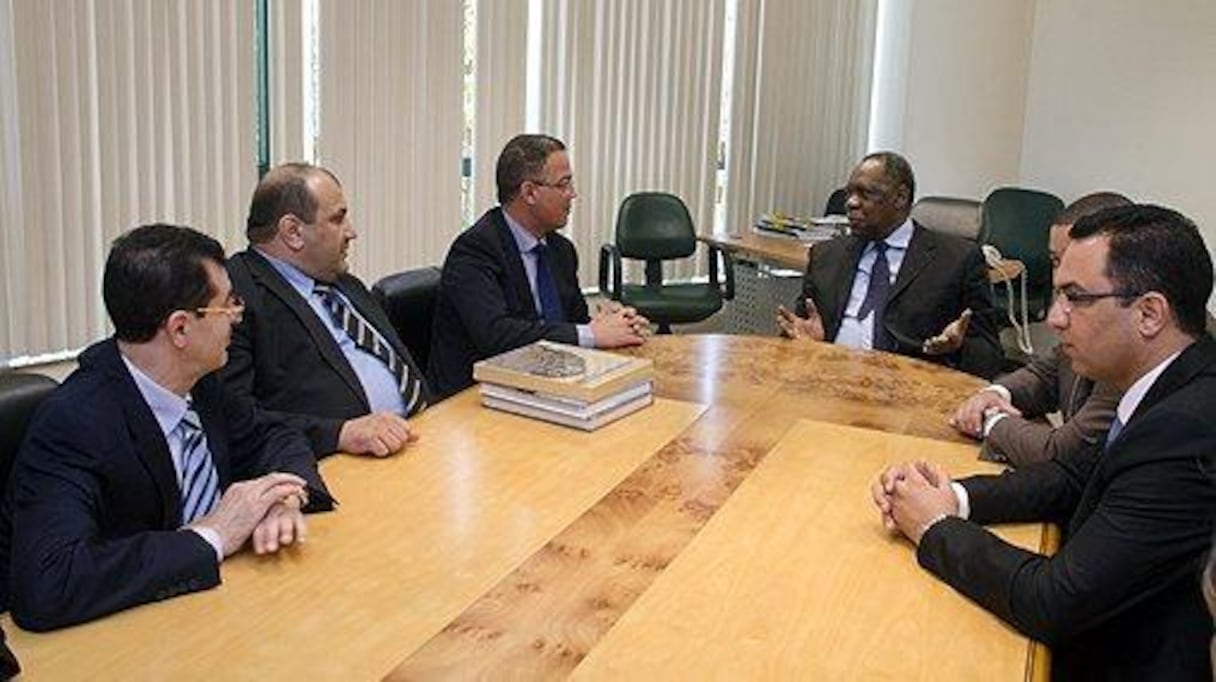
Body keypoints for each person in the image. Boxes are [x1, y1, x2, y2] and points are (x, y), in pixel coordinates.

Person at [871, 204, 1216, 679]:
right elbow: (1072, 476)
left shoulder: (1187, 427)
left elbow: (1054, 600)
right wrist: (953, 495)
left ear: (1150, 313)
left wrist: (934, 526)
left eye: (1075, 298)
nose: (1054, 318)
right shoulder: (1167, 379)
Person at [0, 224, 334, 632]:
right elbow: (49, 583)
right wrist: (214, 534)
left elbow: (275, 434)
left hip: (220, 614)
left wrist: (282, 499)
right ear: (179, 329)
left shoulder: (201, 382)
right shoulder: (75, 422)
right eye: (228, 306)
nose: (238, 318)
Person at [224, 163, 428, 458]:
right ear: (292, 232)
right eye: (337, 219)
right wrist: (340, 433)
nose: (352, 232)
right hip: (341, 466)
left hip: (419, 438)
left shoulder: (345, 284)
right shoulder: (235, 298)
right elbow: (236, 420)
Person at [428, 134, 648, 399]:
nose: (573, 194)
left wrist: (607, 322)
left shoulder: (560, 250)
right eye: (564, 184)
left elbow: (573, 324)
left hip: (548, 387)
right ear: (529, 192)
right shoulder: (475, 251)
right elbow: (497, 336)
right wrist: (591, 333)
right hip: (478, 398)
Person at [777, 152, 1003, 379]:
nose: (851, 203)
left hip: (908, 392)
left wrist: (958, 348)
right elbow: (797, 332)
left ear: (900, 198)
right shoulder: (826, 255)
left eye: (866, 193)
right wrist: (807, 343)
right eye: (850, 194)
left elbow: (989, 357)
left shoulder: (956, 261)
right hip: (829, 382)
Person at [950, 192, 1130, 465]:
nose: (1059, 277)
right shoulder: (1088, 317)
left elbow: (1063, 454)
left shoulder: (1136, 335)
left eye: (1072, 259)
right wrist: (995, 394)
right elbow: (1046, 375)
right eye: (1056, 260)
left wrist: (992, 420)